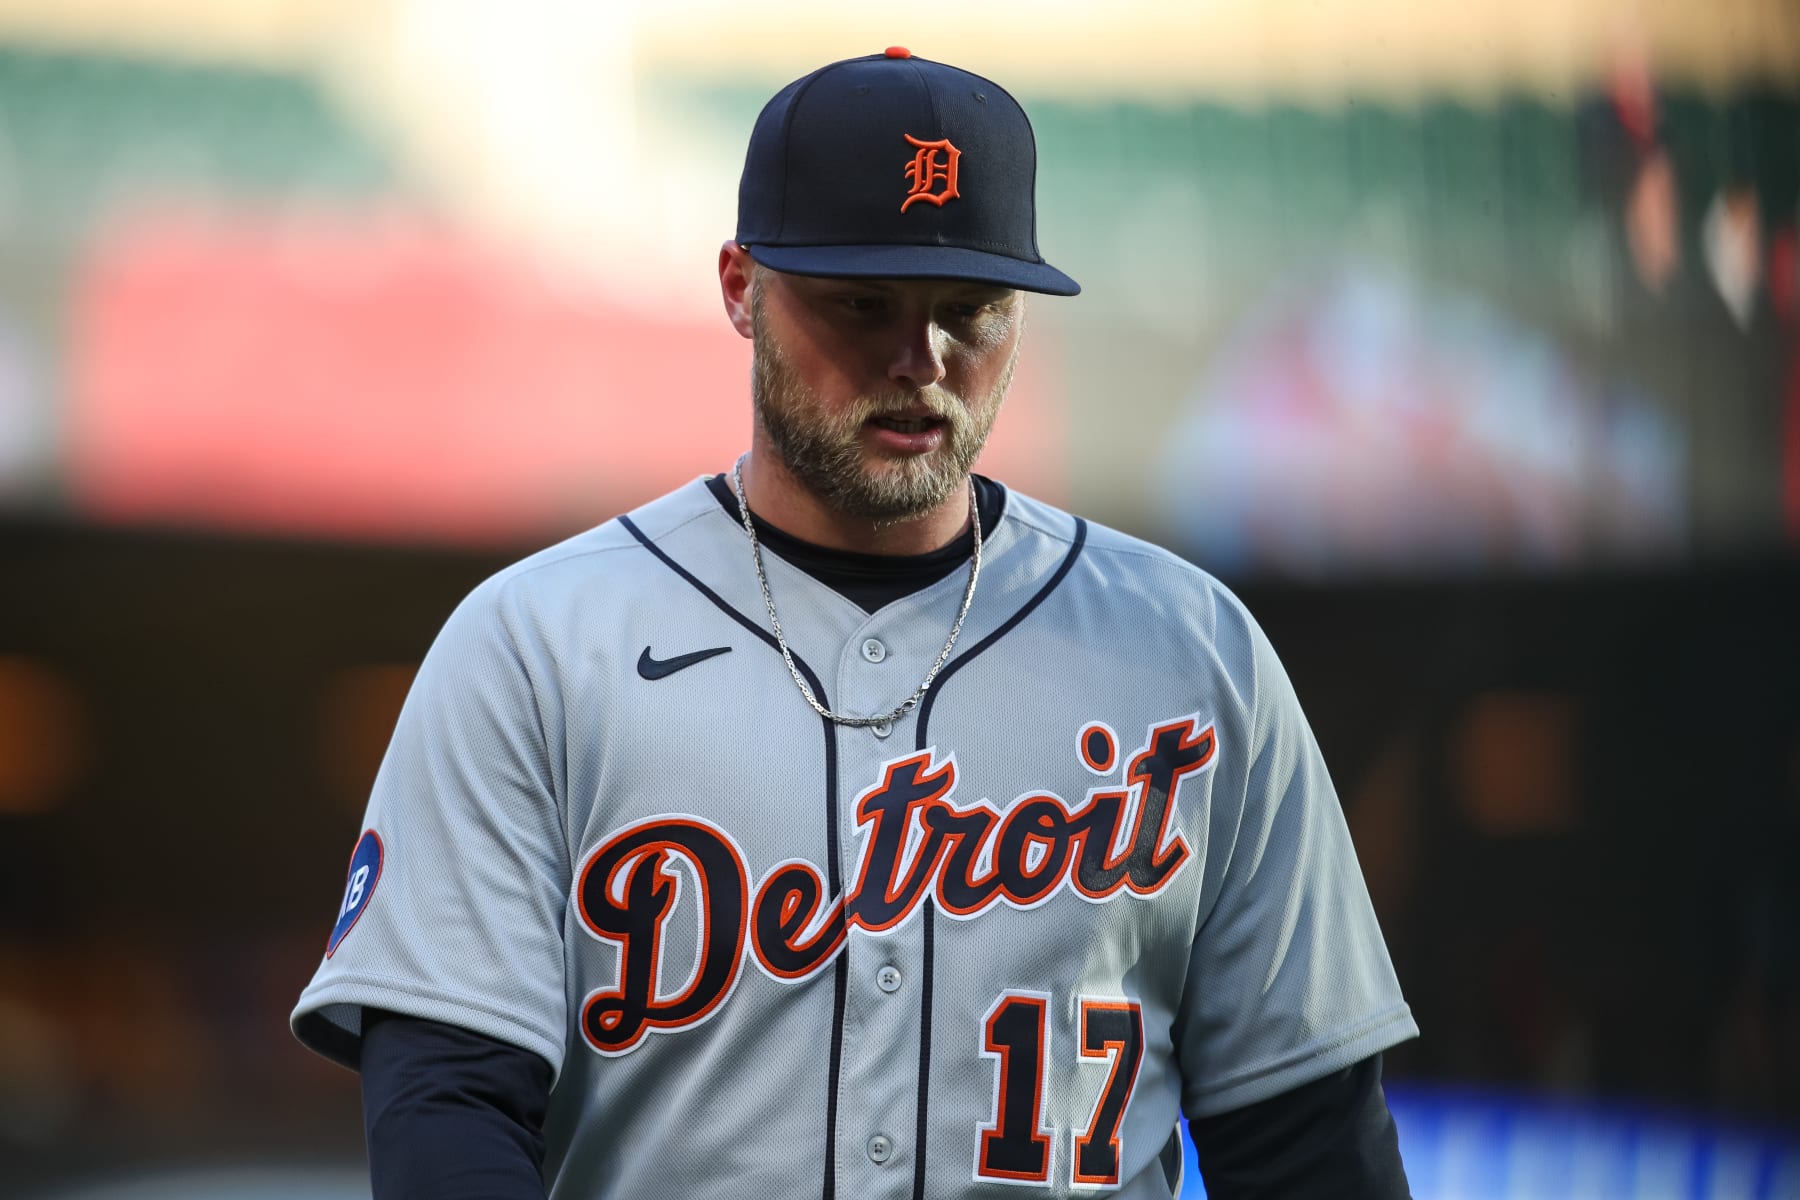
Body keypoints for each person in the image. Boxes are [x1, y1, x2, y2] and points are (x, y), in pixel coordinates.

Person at [292, 48, 1418, 1199]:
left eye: (969, 310)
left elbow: (1308, 1141)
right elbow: (448, 1108)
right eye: (862, 301)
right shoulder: (536, 648)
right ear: (740, 286)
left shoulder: (1195, 655)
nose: (919, 361)